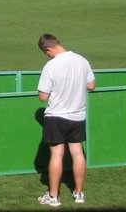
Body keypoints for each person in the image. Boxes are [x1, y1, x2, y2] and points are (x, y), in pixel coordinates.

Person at [36, 33, 96, 207]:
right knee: (78, 152)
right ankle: (79, 193)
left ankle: (54, 196)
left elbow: (42, 96)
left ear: (48, 49)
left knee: (57, 154)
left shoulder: (51, 65)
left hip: (56, 116)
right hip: (78, 115)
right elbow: (91, 85)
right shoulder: (81, 60)